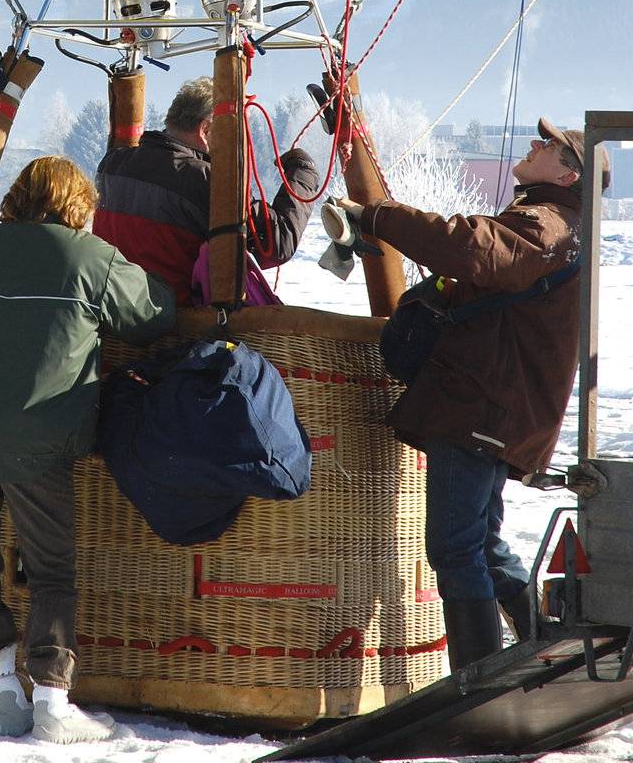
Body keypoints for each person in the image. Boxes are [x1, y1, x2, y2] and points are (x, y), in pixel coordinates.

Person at [335, 118, 607, 672]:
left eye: (547, 144)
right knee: (484, 544)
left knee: (455, 548)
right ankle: (543, 652)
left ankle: (478, 680)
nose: (534, 144)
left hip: (481, 408)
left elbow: (472, 247)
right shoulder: (560, 223)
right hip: (498, 410)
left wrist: (379, 216)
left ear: (566, 170)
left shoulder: (545, 222)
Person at [0, 155, 175, 742]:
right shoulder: (89, 256)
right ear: (75, 204)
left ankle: (1, 691)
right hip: (35, 438)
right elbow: (152, 315)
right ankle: (54, 703)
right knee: (51, 569)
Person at [94, 76, 318, 303]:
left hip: (113, 311)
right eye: (235, 133)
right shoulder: (207, 179)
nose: (238, 142)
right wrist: (303, 171)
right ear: (206, 129)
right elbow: (277, 243)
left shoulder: (111, 163)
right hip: (176, 323)